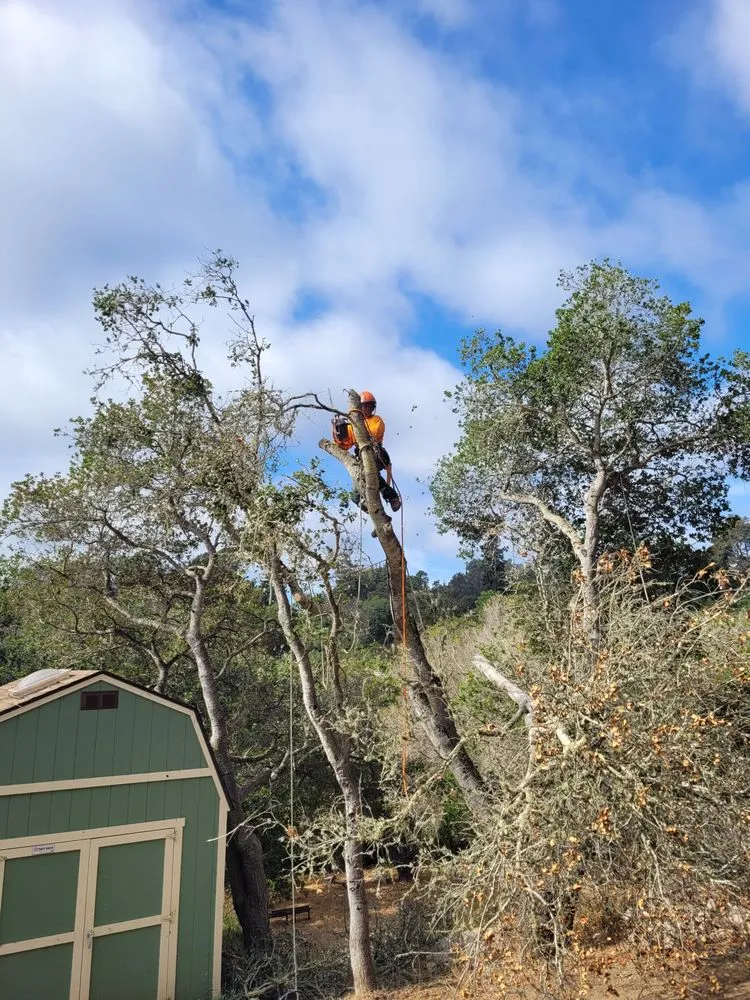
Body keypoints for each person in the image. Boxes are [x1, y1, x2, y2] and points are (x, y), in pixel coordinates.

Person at [332, 391, 401, 514]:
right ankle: (377, 514)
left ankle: (392, 497)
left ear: (373, 407)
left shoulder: (376, 420)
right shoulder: (351, 425)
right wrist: (339, 432)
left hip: (376, 453)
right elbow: (345, 445)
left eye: (369, 406)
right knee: (355, 495)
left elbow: (374, 433)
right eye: (364, 406)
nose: (367, 408)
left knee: (370, 473)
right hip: (360, 457)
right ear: (359, 407)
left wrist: (357, 425)